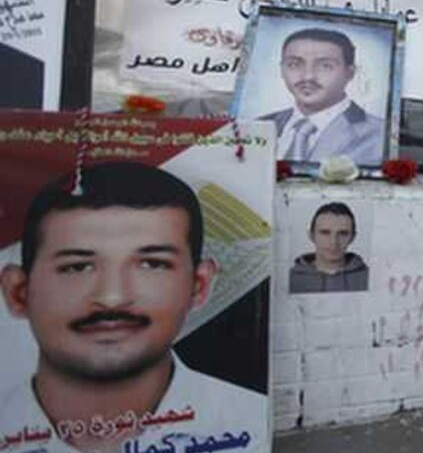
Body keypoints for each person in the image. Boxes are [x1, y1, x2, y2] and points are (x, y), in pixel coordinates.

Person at [0, 162, 267, 453]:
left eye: (152, 264)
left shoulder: (253, 426)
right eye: (78, 267)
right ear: (19, 292)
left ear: (198, 285)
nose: (113, 297)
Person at [259, 27, 385, 167]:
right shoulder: (260, 125)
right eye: (294, 64)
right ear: (282, 69)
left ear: (350, 73)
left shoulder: (379, 135)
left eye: (325, 66)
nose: (308, 76)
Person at [288, 202, 369, 294]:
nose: (333, 242)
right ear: (311, 235)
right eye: (325, 233)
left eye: (343, 233)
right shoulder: (286, 280)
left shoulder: (372, 280)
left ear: (352, 237)